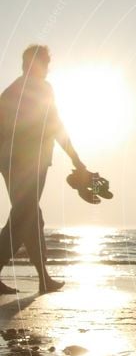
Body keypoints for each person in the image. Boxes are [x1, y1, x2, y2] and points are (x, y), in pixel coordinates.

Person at [0, 45, 86, 294]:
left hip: (9, 162)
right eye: (45, 64)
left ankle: (43, 278)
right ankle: (41, 277)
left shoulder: (11, 90)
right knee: (23, 218)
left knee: (30, 218)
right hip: (29, 163)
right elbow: (55, 125)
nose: (47, 69)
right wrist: (76, 159)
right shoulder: (42, 88)